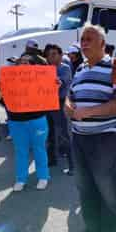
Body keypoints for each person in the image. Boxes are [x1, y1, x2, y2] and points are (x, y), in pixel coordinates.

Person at [65, 23, 116, 232]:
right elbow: (70, 96)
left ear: (103, 43)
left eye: (89, 39)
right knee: (86, 189)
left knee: (109, 192)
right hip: (79, 139)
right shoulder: (80, 69)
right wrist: (69, 107)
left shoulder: (115, 69)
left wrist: (88, 112)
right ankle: (93, 229)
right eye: (82, 40)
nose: (84, 43)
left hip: (105, 140)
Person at [0, 54, 50, 191]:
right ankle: (21, 179)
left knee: (39, 148)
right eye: (21, 61)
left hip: (37, 120)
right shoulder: (9, 80)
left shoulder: (41, 80)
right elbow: (1, 100)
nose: (24, 63)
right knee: (21, 151)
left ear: (33, 65)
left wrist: (55, 85)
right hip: (17, 121)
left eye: (28, 61)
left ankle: (43, 177)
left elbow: (50, 94)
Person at [44, 44, 74, 175]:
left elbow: (61, 82)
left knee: (65, 135)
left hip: (61, 104)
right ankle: (52, 160)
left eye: (54, 54)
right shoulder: (43, 70)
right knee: (49, 133)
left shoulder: (65, 68)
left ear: (61, 55)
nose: (51, 56)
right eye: (49, 54)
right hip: (47, 105)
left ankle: (73, 165)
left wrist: (54, 82)